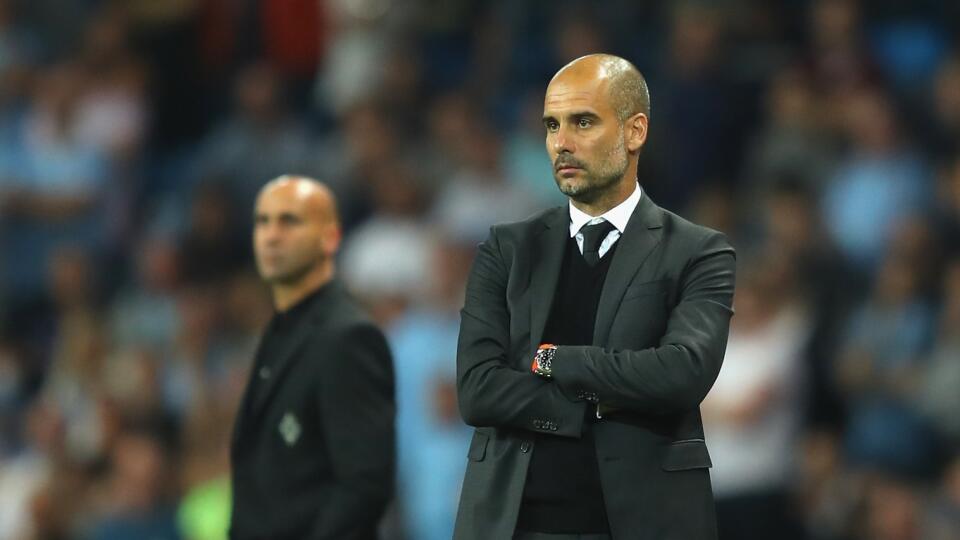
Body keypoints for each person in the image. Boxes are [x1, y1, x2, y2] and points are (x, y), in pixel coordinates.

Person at [454, 54, 736, 540]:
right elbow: (478, 389)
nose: (561, 143)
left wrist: (555, 361)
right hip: (514, 525)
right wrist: (593, 403)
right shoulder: (506, 248)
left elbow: (682, 373)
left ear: (635, 132)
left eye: (582, 122)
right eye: (551, 125)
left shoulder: (698, 251)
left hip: (643, 524)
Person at [230, 176, 395, 540]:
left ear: (330, 237)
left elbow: (364, 485)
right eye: (263, 221)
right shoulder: (279, 331)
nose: (272, 235)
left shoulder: (348, 337)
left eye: (290, 221)